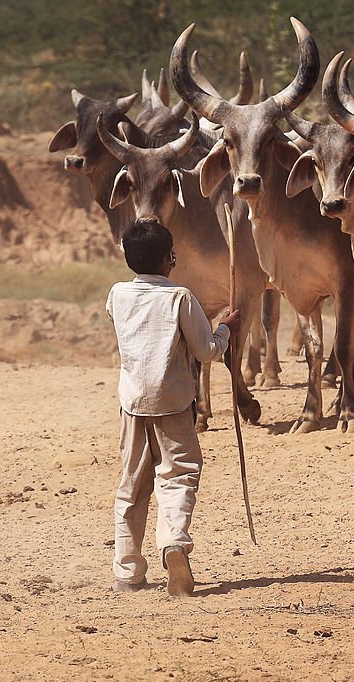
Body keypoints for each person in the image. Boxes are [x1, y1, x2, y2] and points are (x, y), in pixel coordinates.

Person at [105, 220, 242, 597]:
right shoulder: (180, 297)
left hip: (132, 404)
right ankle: (174, 545)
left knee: (132, 487)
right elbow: (207, 352)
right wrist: (226, 329)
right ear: (171, 258)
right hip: (175, 404)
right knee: (178, 476)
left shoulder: (116, 295)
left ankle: (128, 572)